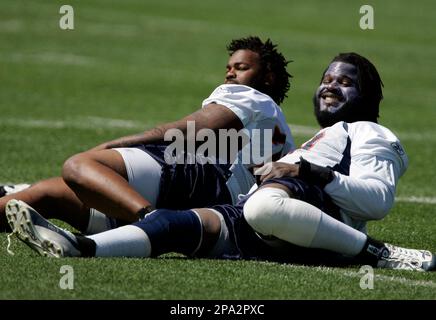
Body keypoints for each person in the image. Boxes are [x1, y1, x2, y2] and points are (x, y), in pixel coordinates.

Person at [7, 52, 433, 271]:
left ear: (369, 96)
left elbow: (376, 201)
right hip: (263, 219)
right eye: (326, 79)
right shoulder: (319, 136)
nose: (330, 86)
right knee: (171, 225)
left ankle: (379, 254)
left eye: (344, 81)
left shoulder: (372, 133)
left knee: (263, 206)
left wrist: (305, 169)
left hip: (295, 216)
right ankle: (80, 249)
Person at [0, 36, 294, 234]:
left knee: (79, 166)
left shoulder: (252, 97)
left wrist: (110, 145)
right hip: (215, 204)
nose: (230, 74)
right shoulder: (279, 125)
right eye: (228, 68)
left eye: (241, 68)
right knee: (47, 194)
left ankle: (152, 223)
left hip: (201, 184)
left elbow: (184, 132)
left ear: (267, 76)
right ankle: (143, 220)